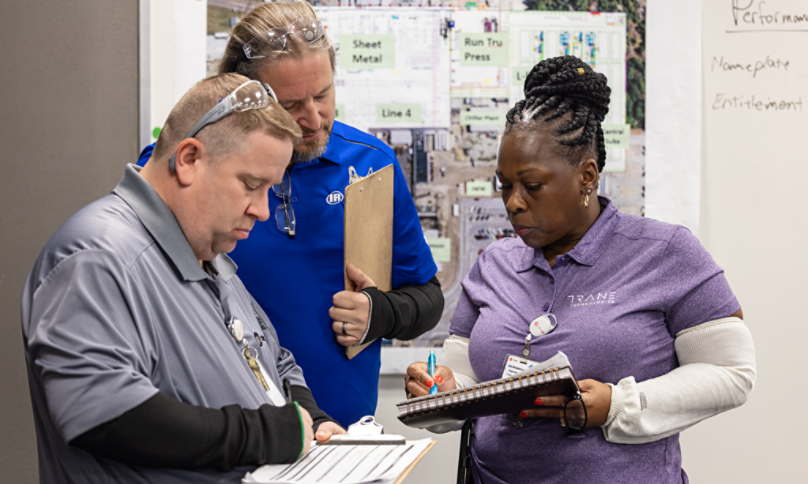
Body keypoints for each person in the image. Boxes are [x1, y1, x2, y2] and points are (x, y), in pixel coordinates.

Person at [405, 56, 756, 483]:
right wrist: (439, 389)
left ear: (587, 176)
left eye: (532, 186)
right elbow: (464, 374)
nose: (513, 202)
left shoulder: (665, 252)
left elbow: (731, 373)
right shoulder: (494, 265)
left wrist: (618, 405)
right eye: (505, 185)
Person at [22, 73, 345, 484]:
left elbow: (272, 360)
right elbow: (103, 413)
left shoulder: (210, 256)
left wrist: (306, 416)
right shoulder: (96, 257)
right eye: (251, 185)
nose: (263, 211)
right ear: (189, 158)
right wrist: (264, 435)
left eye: (270, 189)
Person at [138, 2, 443, 427]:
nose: (314, 119)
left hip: (343, 436)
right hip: (227, 438)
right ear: (245, 96)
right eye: (291, 104)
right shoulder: (189, 169)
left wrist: (380, 314)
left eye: (323, 95)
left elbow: (427, 297)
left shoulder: (371, 163)